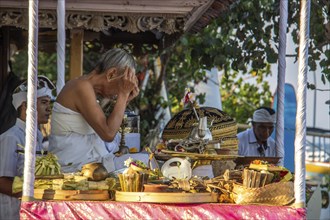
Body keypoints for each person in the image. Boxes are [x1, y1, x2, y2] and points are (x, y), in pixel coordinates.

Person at [49, 48, 144, 173]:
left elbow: (108, 127)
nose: (117, 94)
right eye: (123, 84)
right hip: (72, 169)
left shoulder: (88, 89)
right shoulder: (82, 86)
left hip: (91, 166)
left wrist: (125, 99)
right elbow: (108, 133)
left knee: (147, 161)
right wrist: (123, 94)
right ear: (111, 74)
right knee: (145, 162)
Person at [0, 76, 54, 220]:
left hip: (31, 211)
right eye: (44, 102)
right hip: (13, 213)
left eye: (49, 103)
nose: (49, 108)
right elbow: (2, 182)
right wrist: (34, 193)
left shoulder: (37, 136)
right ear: (25, 106)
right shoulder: (11, 137)